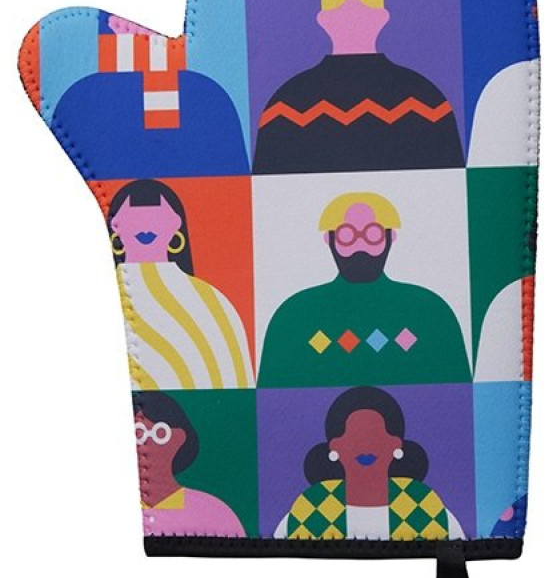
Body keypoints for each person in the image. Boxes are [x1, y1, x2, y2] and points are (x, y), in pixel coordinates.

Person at [250, 0, 464, 174]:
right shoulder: (425, 95)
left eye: (360, 15)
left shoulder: (287, 100)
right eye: (344, 15)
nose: (352, 21)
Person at [258, 192, 469, 386]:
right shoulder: (295, 313)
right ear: (329, 239)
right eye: (346, 235)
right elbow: (270, 396)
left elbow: (459, 393)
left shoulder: (429, 310)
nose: (360, 245)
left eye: (373, 234)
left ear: (391, 237)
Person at [109, 180, 253, 389]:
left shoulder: (210, 303)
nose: (146, 223)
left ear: (176, 223)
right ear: (115, 224)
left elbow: (232, 377)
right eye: (134, 213)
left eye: (156, 212)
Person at [273, 387, 463, 540]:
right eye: (354, 436)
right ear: (334, 446)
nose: (365, 446)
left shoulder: (424, 504)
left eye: (376, 435)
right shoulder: (310, 506)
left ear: (396, 444)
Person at [134, 392, 245, 537]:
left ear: (180, 438)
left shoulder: (211, 510)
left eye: (160, 433)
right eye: (140, 432)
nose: (150, 441)